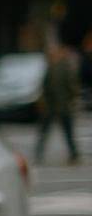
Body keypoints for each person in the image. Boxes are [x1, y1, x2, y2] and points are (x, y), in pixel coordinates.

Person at [35, 37, 81, 165]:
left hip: (63, 105)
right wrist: (43, 100)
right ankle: (38, 153)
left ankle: (74, 154)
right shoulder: (51, 67)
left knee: (67, 132)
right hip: (52, 106)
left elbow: (72, 85)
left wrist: (72, 100)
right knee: (45, 131)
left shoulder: (64, 67)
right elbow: (45, 86)